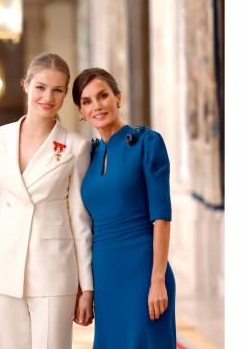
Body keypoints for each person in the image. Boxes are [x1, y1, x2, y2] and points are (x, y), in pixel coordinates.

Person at [0, 53, 94, 349]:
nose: (48, 97)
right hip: (2, 266)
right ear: (25, 85)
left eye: (58, 90)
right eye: (41, 87)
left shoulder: (76, 146)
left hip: (53, 268)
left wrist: (87, 287)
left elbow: (80, 220)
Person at [73, 67, 176, 348]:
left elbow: (162, 218)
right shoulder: (89, 155)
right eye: (87, 101)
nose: (97, 106)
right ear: (80, 111)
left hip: (143, 272)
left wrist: (157, 280)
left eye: (103, 95)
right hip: (106, 276)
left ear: (118, 97)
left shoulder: (147, 143)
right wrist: (86, 289)